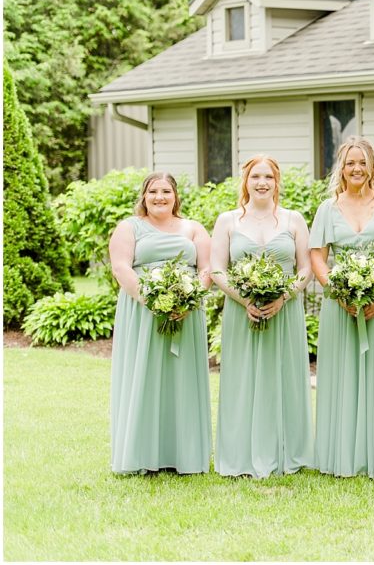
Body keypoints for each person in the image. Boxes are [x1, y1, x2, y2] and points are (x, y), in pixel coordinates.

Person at [309, 137, 374, 479]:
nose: (356, 169)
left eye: (362, 162)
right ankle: (341, 452)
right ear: (342, 168)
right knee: (342, 376)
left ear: (372, 167)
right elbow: (318, 257)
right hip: (339, 308)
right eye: (350, 163)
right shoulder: (328, 209)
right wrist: (336, 291)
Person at [210, 155, 314, 477]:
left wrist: (283, 297)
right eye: (255, 176)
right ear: (245, 180)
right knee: (243, 381)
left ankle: (285, 452)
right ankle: (241, 455)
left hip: (285, 312)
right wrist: (245, 301)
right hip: (242, 314)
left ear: (277, 181)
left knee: (284, 378)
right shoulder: (228, 221)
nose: (262, 182)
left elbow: (306, 268)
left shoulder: (293, 219)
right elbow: (216, 269)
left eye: (268, 176)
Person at [108, 172, 212, 474]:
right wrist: (152, 300)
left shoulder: (193, 228)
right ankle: (142, 454)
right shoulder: (129, 227)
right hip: (143, 314)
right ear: (144, 196)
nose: (159, 197)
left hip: (186, 315)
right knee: (145, 376)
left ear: (175, 196)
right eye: (153, 191)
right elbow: (120, 267)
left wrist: (187, 300)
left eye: (166, 191)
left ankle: (184, 455)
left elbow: (206, 270)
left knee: (182, 379)